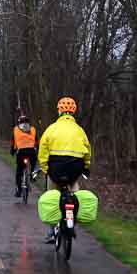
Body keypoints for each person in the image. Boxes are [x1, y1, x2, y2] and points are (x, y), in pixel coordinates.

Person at [38, 96, 92, 242]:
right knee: (74, 191)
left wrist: (45, 168)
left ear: (59, 112)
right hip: (75, 168)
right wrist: (86, 167)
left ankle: (51, 232)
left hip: (55, 168)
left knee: (52, 194)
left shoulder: (51, 128)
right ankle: (72, 219)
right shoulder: (80, 130)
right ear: (73, 113)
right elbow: (87, 150)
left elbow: (43, 150)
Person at [10, 115, 38, 197]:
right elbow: (36, 141)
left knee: (19, 171)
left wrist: (12, 150)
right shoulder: (33, 129)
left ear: (19, 122)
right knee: (33, 163)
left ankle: (18, 190)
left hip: (21, 151)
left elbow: (13, 142)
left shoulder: (16, 129)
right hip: (31, 151)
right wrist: (37, 149)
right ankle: (33, 175)